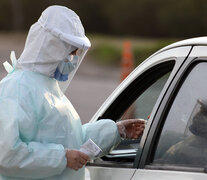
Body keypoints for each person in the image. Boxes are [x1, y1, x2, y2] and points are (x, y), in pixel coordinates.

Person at [0, 5, 145, 180]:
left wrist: (116, 131)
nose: (73, 59)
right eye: (71, 52)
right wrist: (61, 158)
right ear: (51, 47)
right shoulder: (17, 88)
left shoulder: (49, 88)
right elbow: (6, 154)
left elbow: (73, 141)